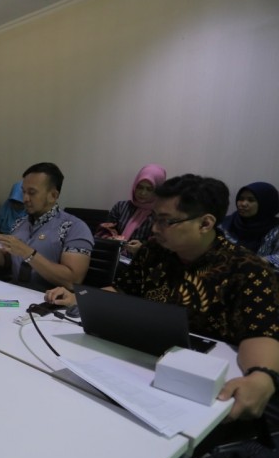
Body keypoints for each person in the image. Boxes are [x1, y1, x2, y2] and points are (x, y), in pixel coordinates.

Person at [45, 175, 279, 422]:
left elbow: (262, 333)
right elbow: (124, 291)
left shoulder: (246, 269)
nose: (155, 228)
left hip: (201, 381)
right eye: (155, 218)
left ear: (205, 223)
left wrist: (261, 376)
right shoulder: (153, 252)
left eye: (166, 221)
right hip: (139, 363)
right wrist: (79, 298)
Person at [0, 162, 93, 291]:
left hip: (48, 299)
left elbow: (73, 281)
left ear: (53, 195)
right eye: (24, 192)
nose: (25, 198)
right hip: (15, 293)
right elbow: (4, 263)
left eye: (32, 192)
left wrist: (27, 253)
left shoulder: (74, 227)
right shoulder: (20, 223)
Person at [96, 164, 167, 257]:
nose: (143, 193)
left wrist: (143, 249)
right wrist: (110, 239)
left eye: (149, 189)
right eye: (139, 187)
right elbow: (104, 230)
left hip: (141, 262)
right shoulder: (121, 207)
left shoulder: (162, 214)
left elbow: (163, 247)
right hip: (113, 257)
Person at [220, 181, 279, 269]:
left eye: (251, 200)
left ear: (266, 203)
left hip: (264, 275)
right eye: (241, 199)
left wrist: (259, 261)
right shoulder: (225, 223)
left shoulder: (276, 229)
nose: (243, 204)